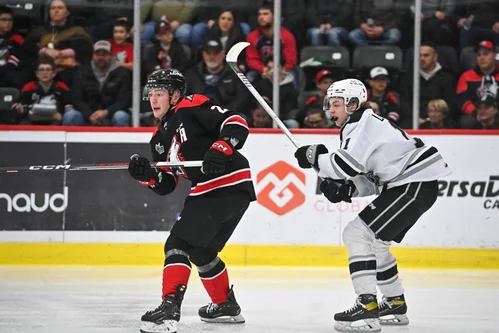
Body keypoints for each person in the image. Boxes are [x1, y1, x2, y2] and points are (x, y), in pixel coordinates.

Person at [294, 78, 451, 332]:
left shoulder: (363, 125)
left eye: (336, 104)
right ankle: (395, 303)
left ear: (353, 104)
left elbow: (344, 165)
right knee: (376, 245)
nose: (330, 110)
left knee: (356, 234)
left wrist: (314, 157)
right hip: (413, 185)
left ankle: (367, 307)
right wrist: (348, 189)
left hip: (413, 185)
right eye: (329, 104)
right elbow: (374, 179)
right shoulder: (360, 125)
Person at [128, 68, 256, 333]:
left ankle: (169, 308)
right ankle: (224, 305)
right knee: (202, 251)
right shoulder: (158, 139)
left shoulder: (191, 105)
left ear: (175, 95)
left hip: (222, 184)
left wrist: (222, 146)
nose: (153, 99)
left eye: (160, 93)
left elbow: (236, 122)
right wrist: (147, 176)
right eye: (151, 93)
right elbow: (166, 185)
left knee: (178, 244)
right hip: (229, 191)